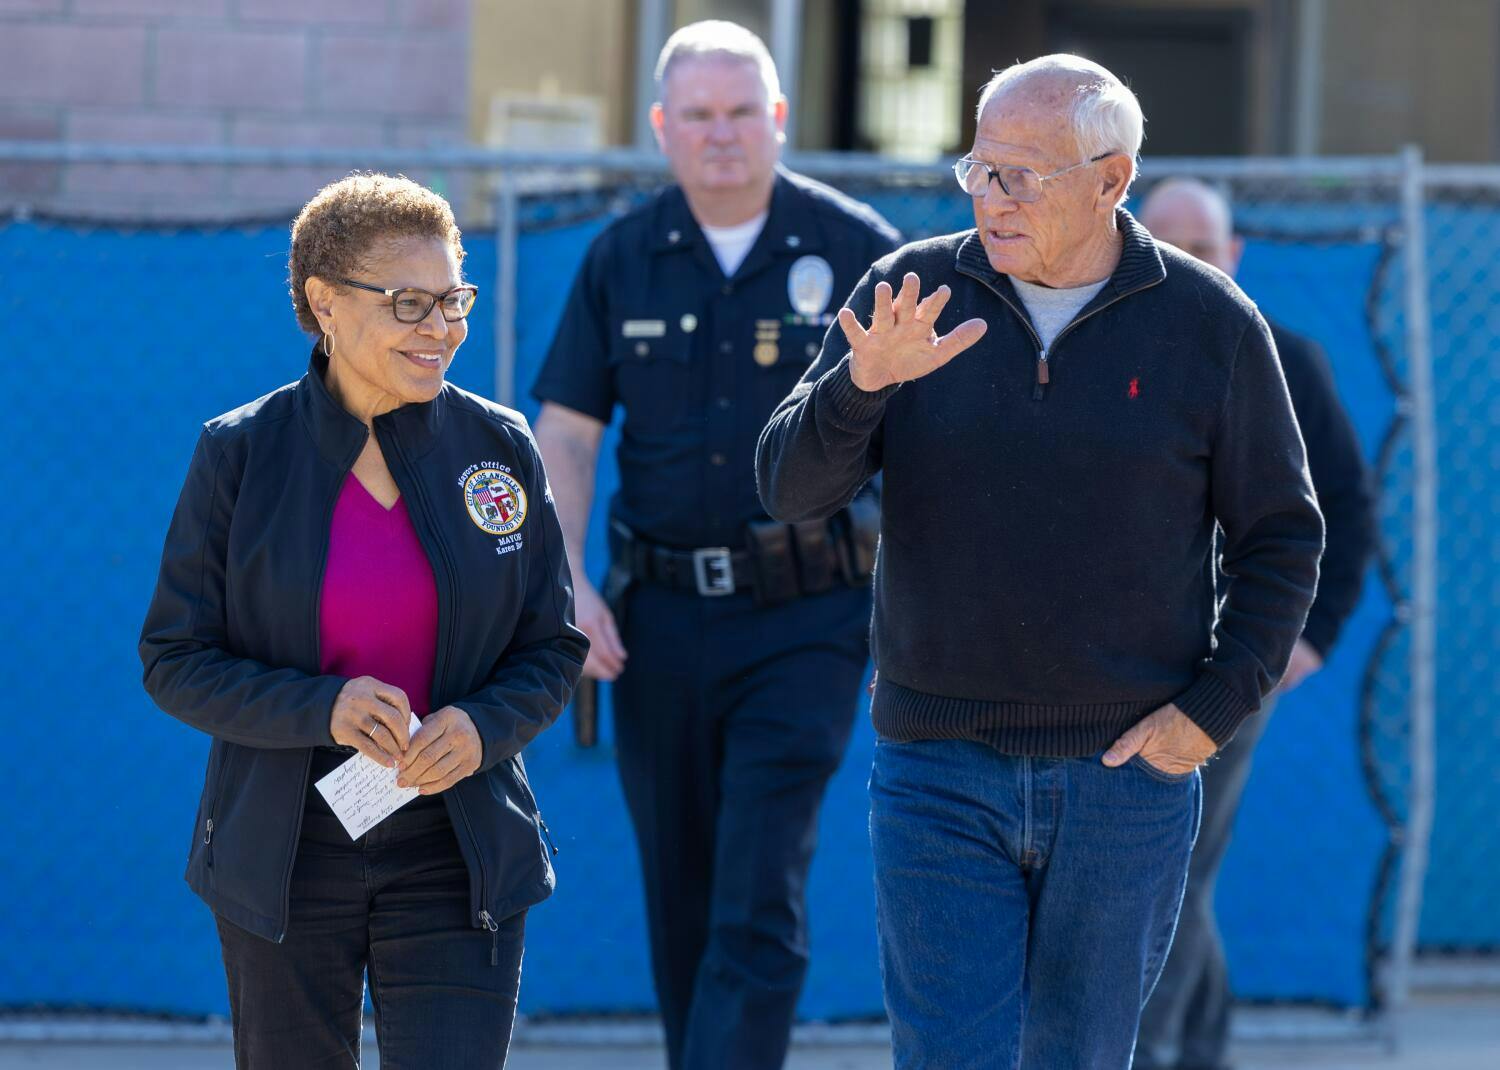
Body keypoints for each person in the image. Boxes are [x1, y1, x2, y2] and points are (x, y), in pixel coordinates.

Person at [757, 55, 1325, 1068]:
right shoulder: (910, 291)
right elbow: (790, 490)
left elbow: (1283, 536)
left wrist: (1210, 711)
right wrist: (864, 381)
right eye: (980, 166)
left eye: (1024, 173)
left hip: (1126, 782)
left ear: (1112, 180)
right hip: (940, 766)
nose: (992, 195)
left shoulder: (1211, 322)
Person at [139, 174, 588, 1069]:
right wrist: (325, 708)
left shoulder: (499, 447)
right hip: (286, 852)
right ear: (325, 304)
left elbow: (551, 650)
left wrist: (482, 724)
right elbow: (175, 659)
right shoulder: (240, 452)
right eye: (410, 303)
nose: (442, 329)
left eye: (454, 300)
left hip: (458, 849)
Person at [531, 20, 900, 1070]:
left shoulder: (858, 250)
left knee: (757, 889)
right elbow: (565, 432)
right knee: (683, 895)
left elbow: (925, 444)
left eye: (743, 111)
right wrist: (566, 583)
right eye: (698, 114)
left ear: (779, 119)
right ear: (662, 128)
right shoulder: (621, 258)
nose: (722, 134)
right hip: (657, 624)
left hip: (809, 619)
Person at [1134, 176, 1376, 1070]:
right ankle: (1200, 1049)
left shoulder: (1286, 360)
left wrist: (1308, 639)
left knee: (1176, 864)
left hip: (1231, 668)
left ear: (1234, 257)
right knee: (1156, 866)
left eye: (1202, 246)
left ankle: (1150, 1052)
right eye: (1163, 242)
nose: (1184, 262)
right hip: (1108, 663)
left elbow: (1344, 510)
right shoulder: (1097, 354)